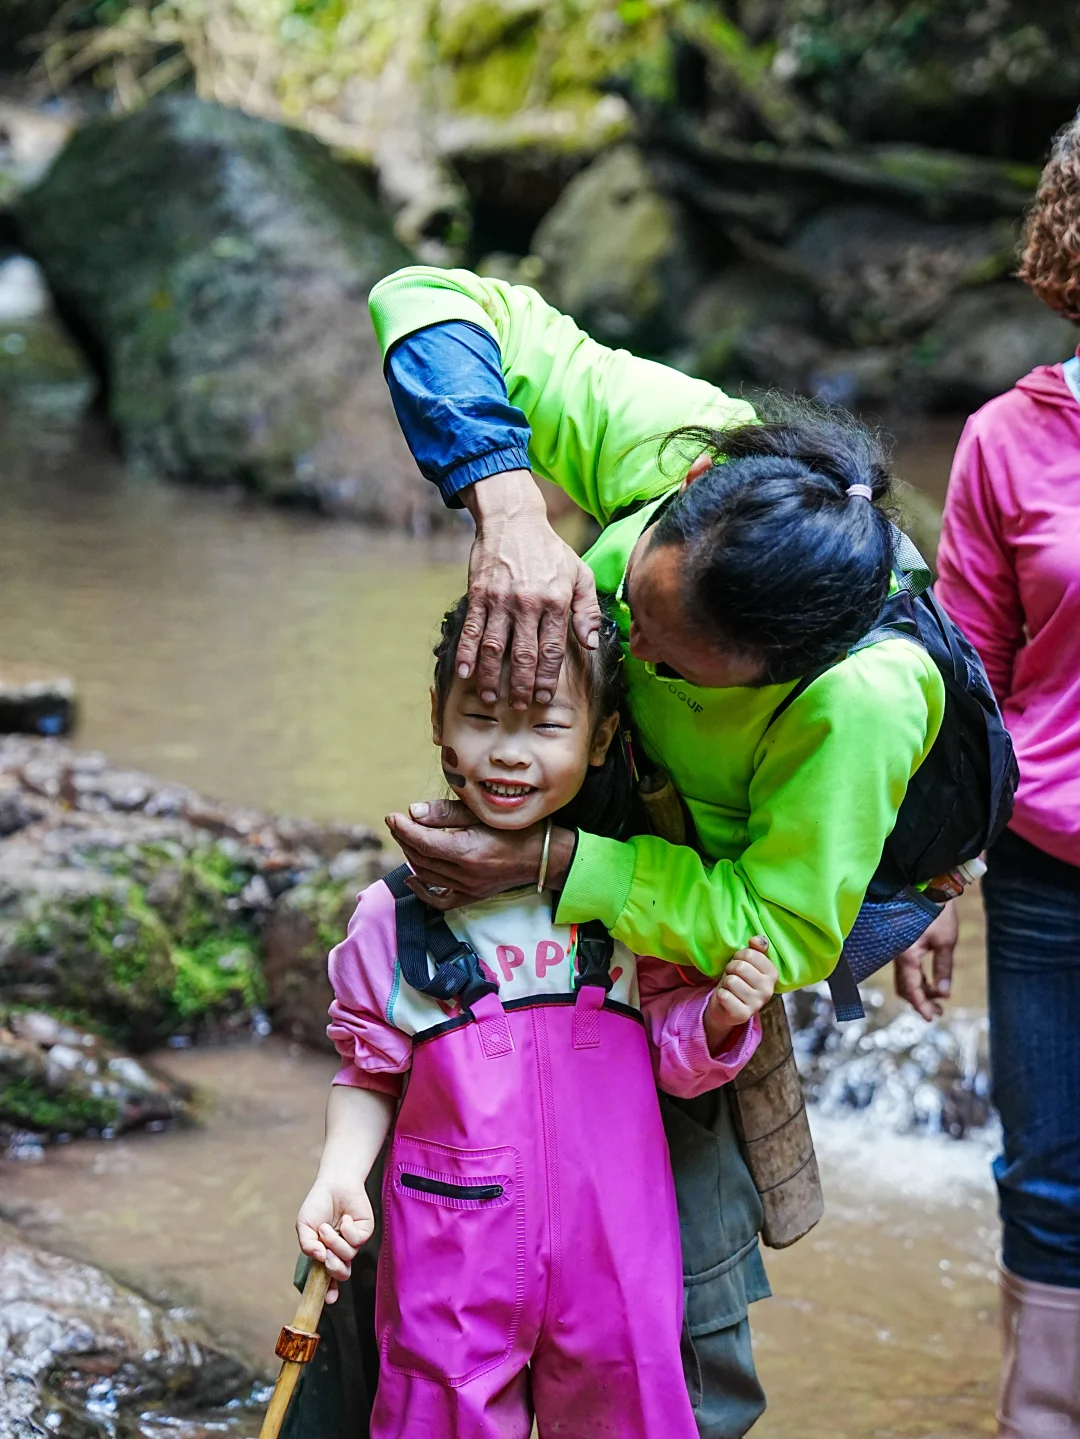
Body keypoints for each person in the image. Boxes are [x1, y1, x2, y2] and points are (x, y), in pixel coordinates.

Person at [367, 264, 948, 1433]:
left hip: (666, 960)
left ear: (778, 677)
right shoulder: (698, 452)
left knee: (676, 1319)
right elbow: (426, 293)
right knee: (404, 1282)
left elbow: (785, 926)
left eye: (665, 663)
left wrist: (557, 871)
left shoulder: (864, 698)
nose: (617, 640)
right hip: (504, 911)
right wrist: (513, 504)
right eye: (630, 590)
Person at [294, 595, 778, 1438]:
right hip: (450, 1252)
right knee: (436, 1415)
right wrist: (339, 1173)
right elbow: (369, 1067)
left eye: (545, 724)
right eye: (480, 718)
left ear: (598, 738)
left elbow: (674, 1055)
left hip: (617, 1246)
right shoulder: (394, 917)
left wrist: (719, 1021)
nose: (507, 753)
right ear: (438, 722)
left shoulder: (630, 901)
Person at [928, 113, 1080, 1437]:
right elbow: (964, 679)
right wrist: (935, 876)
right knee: (1048, 1176)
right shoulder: (1007, 442)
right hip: (1048, 875)